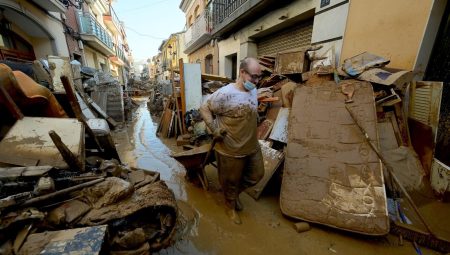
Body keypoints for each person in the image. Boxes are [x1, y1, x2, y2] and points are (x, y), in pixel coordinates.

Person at [199, 57, 264, 224]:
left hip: (252, 146)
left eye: (259, 77)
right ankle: (230, 206)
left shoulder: (253, 90)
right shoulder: (226, 94)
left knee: (257, 174)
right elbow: (204, 108)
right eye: (253, 77)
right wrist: (214, 129)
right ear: (242, 73)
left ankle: (233, 197)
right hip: (230, 149)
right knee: (230, 182)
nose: (256, 81)